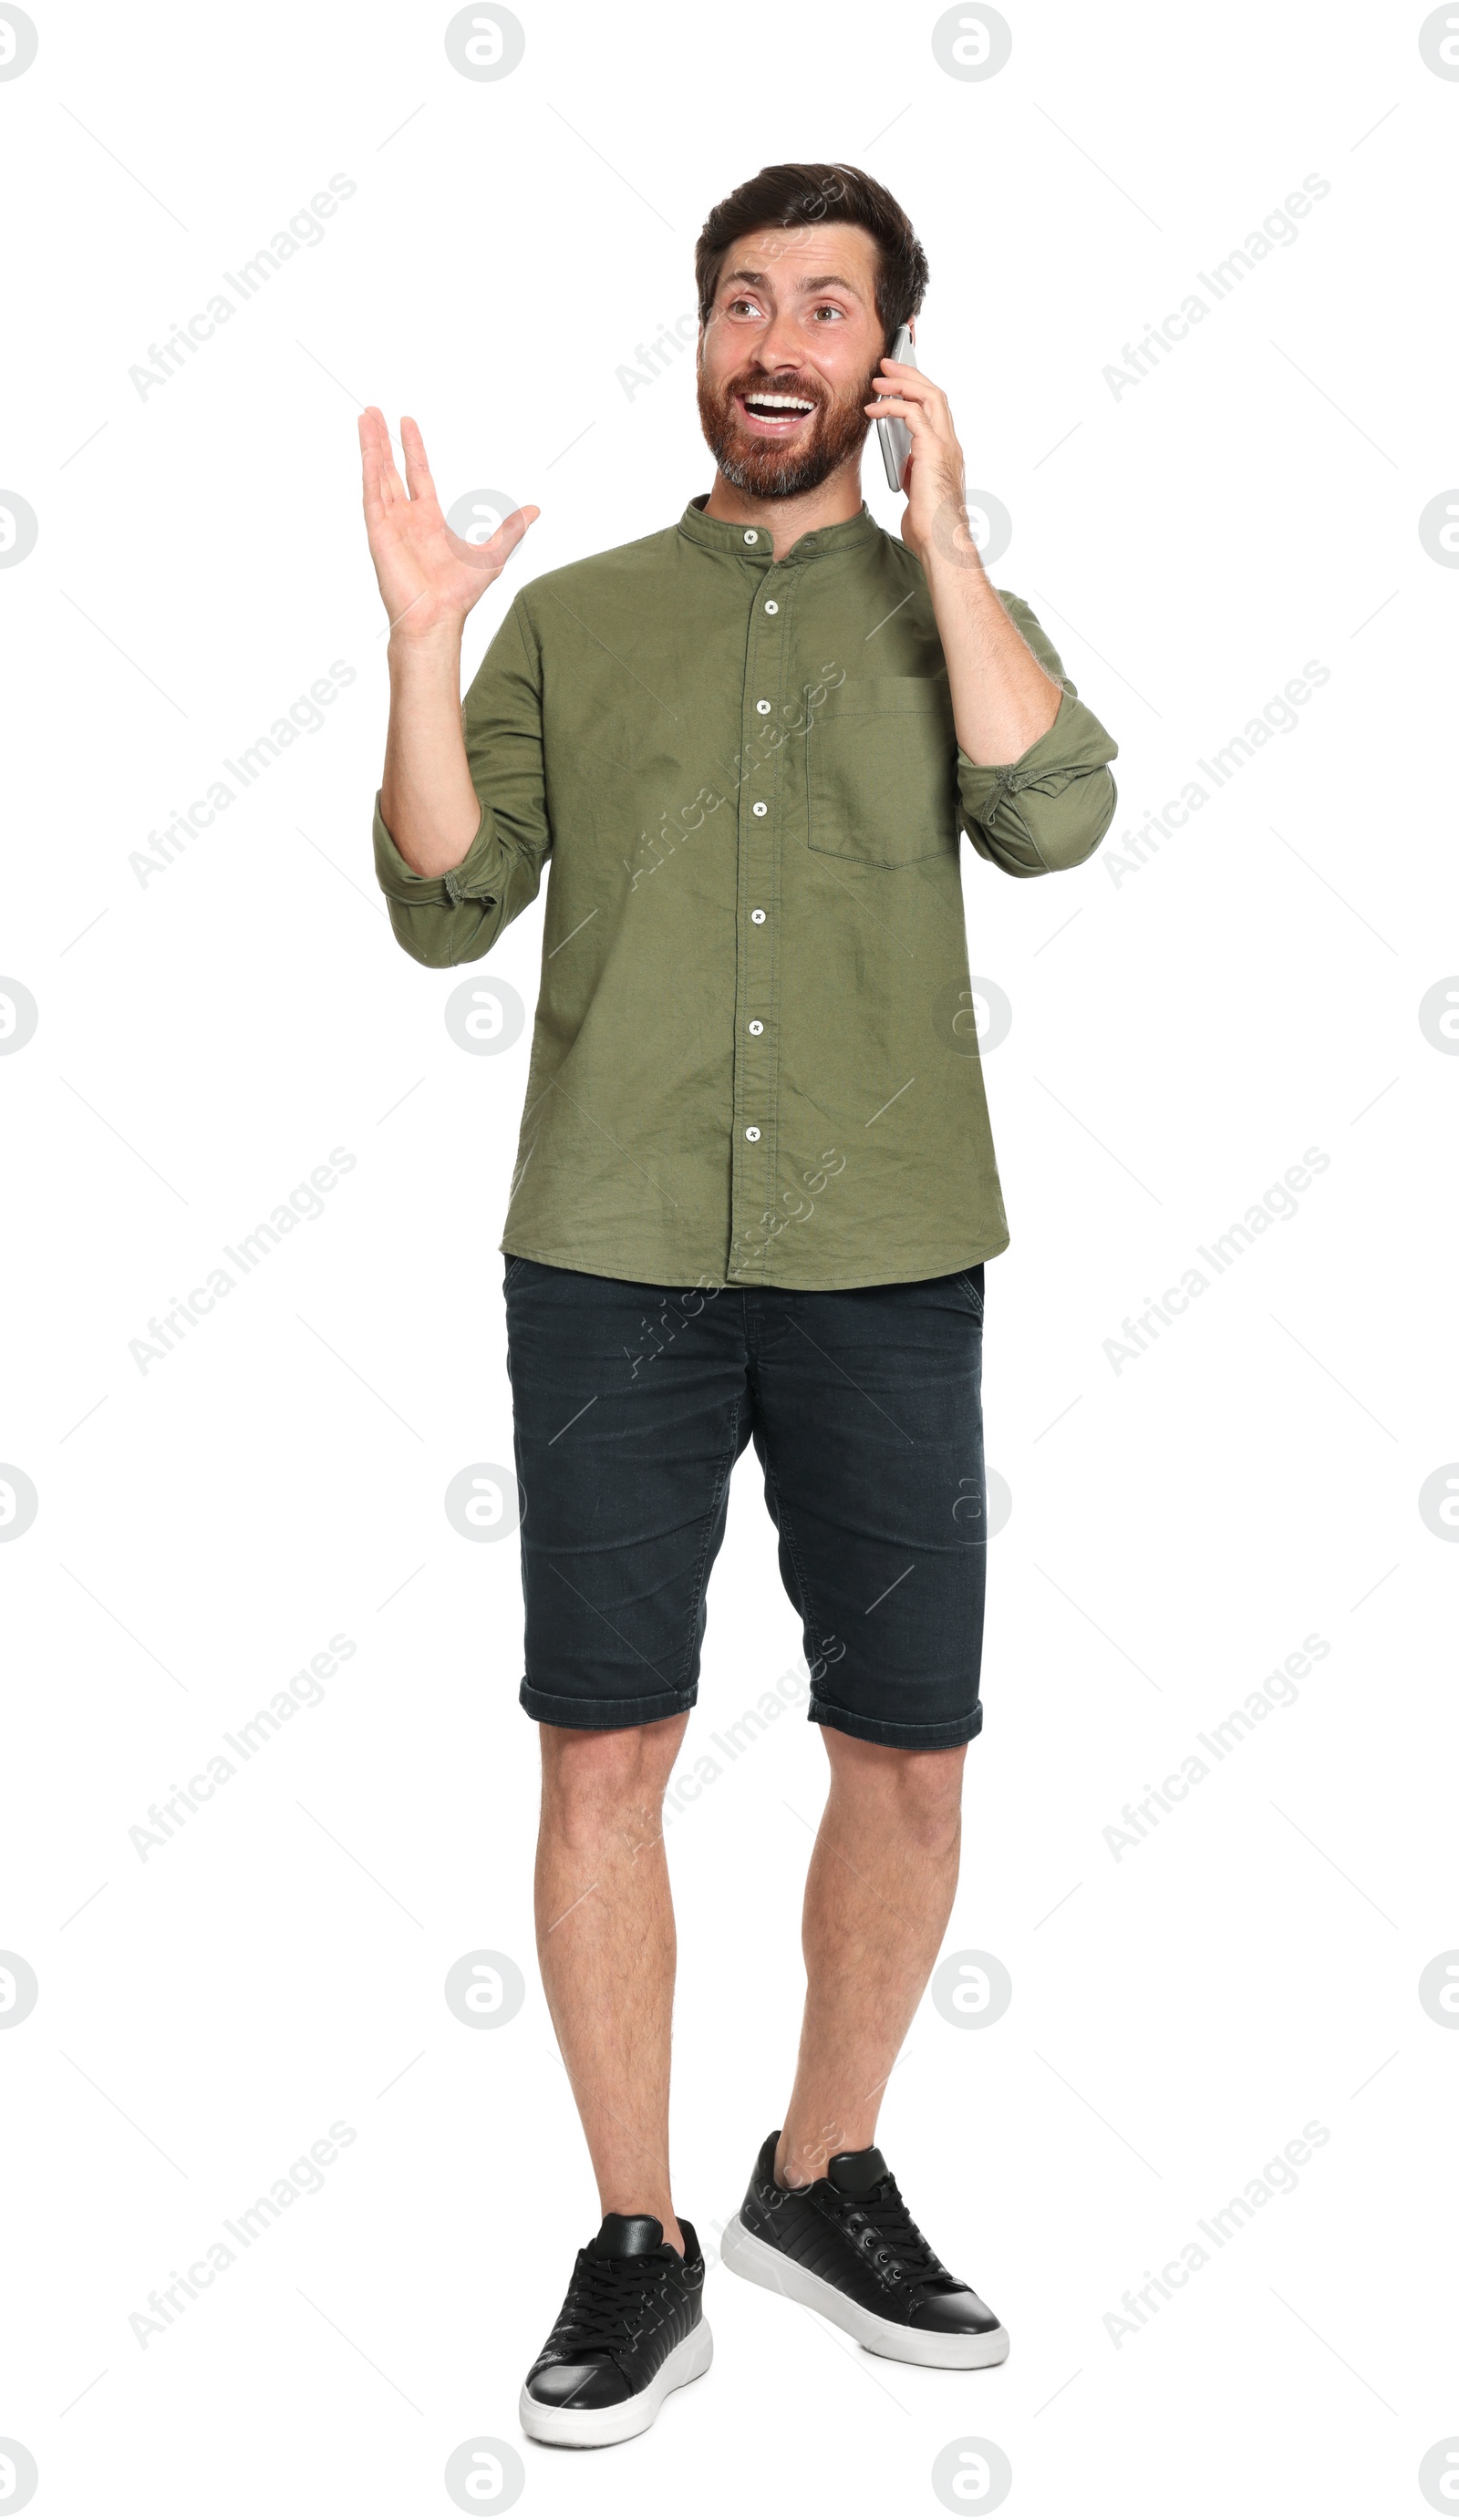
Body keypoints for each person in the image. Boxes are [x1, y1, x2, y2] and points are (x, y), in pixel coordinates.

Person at [359, 160, 1117, 2449]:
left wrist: (950, 532)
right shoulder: (578, 619)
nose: (771, 340)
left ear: (883, 356)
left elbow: (1056, 812)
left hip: (886, 1249)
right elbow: (438, 905)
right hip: (606, 1256)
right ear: (697, 338)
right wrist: (417, 643)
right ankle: (634, 2236)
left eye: (822, 306)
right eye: (739, 301)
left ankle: (818, 2171)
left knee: (910, 1737)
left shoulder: (942, 611)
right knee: (607, 1738)